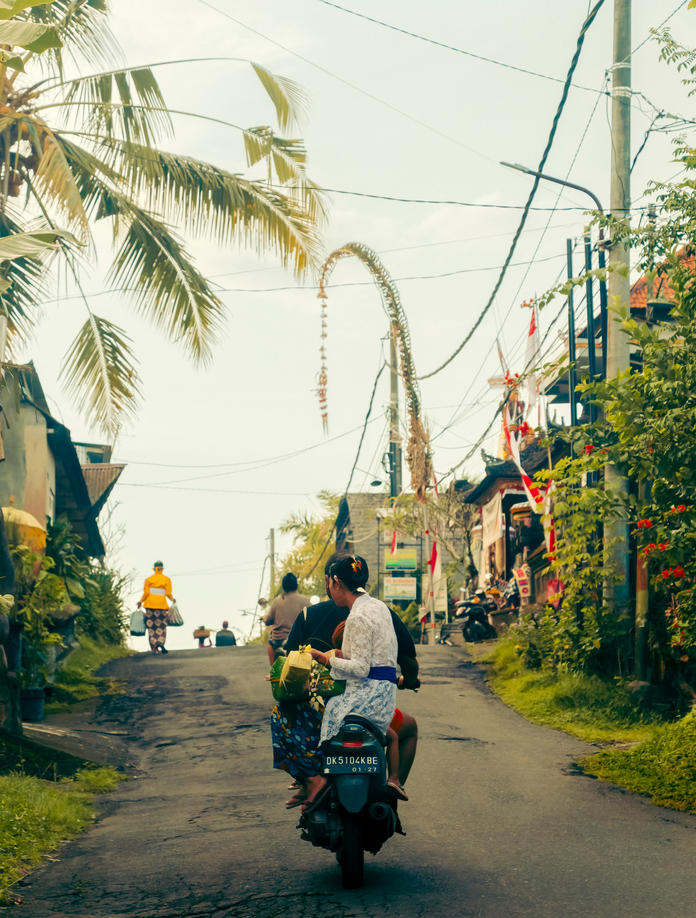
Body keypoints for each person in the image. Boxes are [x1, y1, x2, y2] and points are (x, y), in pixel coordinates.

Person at [304, 555, 397, 810]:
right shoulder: (379, 607)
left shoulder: (356, 617)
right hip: (385, 696)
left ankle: (317, 780)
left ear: (336, 582)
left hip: (367, 698)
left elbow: (360, 668)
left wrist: (325, 659)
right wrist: (338, 656)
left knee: (314, 714)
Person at [262, 572, 309, 664]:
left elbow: (268, 620)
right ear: (296, 585)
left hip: (279, 639)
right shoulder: (305, 601)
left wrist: (264, 619)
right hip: (299, 639)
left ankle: (272, 672)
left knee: (270, 645)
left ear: (284, 586)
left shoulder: (277, 601)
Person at [138, 560, 174, 654]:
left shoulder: (149, 579)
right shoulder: (166, 579)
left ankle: (154, 647)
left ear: (154, 569)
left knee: (151, 626)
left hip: (150, 605)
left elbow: (146, 593)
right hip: (161, 605)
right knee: (161, 625)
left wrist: (141, 601)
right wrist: (172, 599)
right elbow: (168, 593)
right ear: (162, 569)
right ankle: (161, 642)